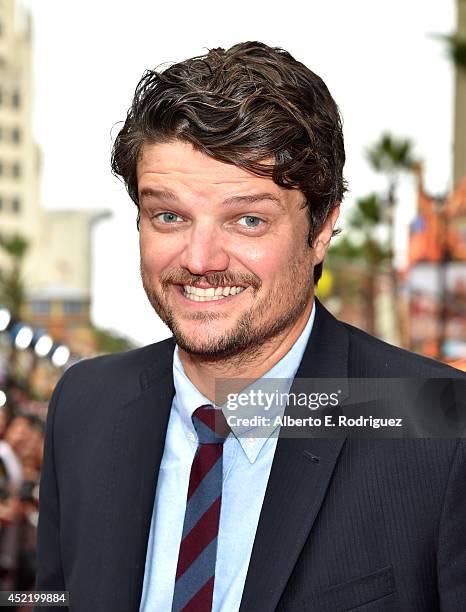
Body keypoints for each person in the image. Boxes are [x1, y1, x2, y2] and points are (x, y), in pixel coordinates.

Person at [35, 42, 465, 612]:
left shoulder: (437, 426)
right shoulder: (85, 405)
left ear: (320, 229)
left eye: (247, 220)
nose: (201, 258)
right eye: (169, 216)